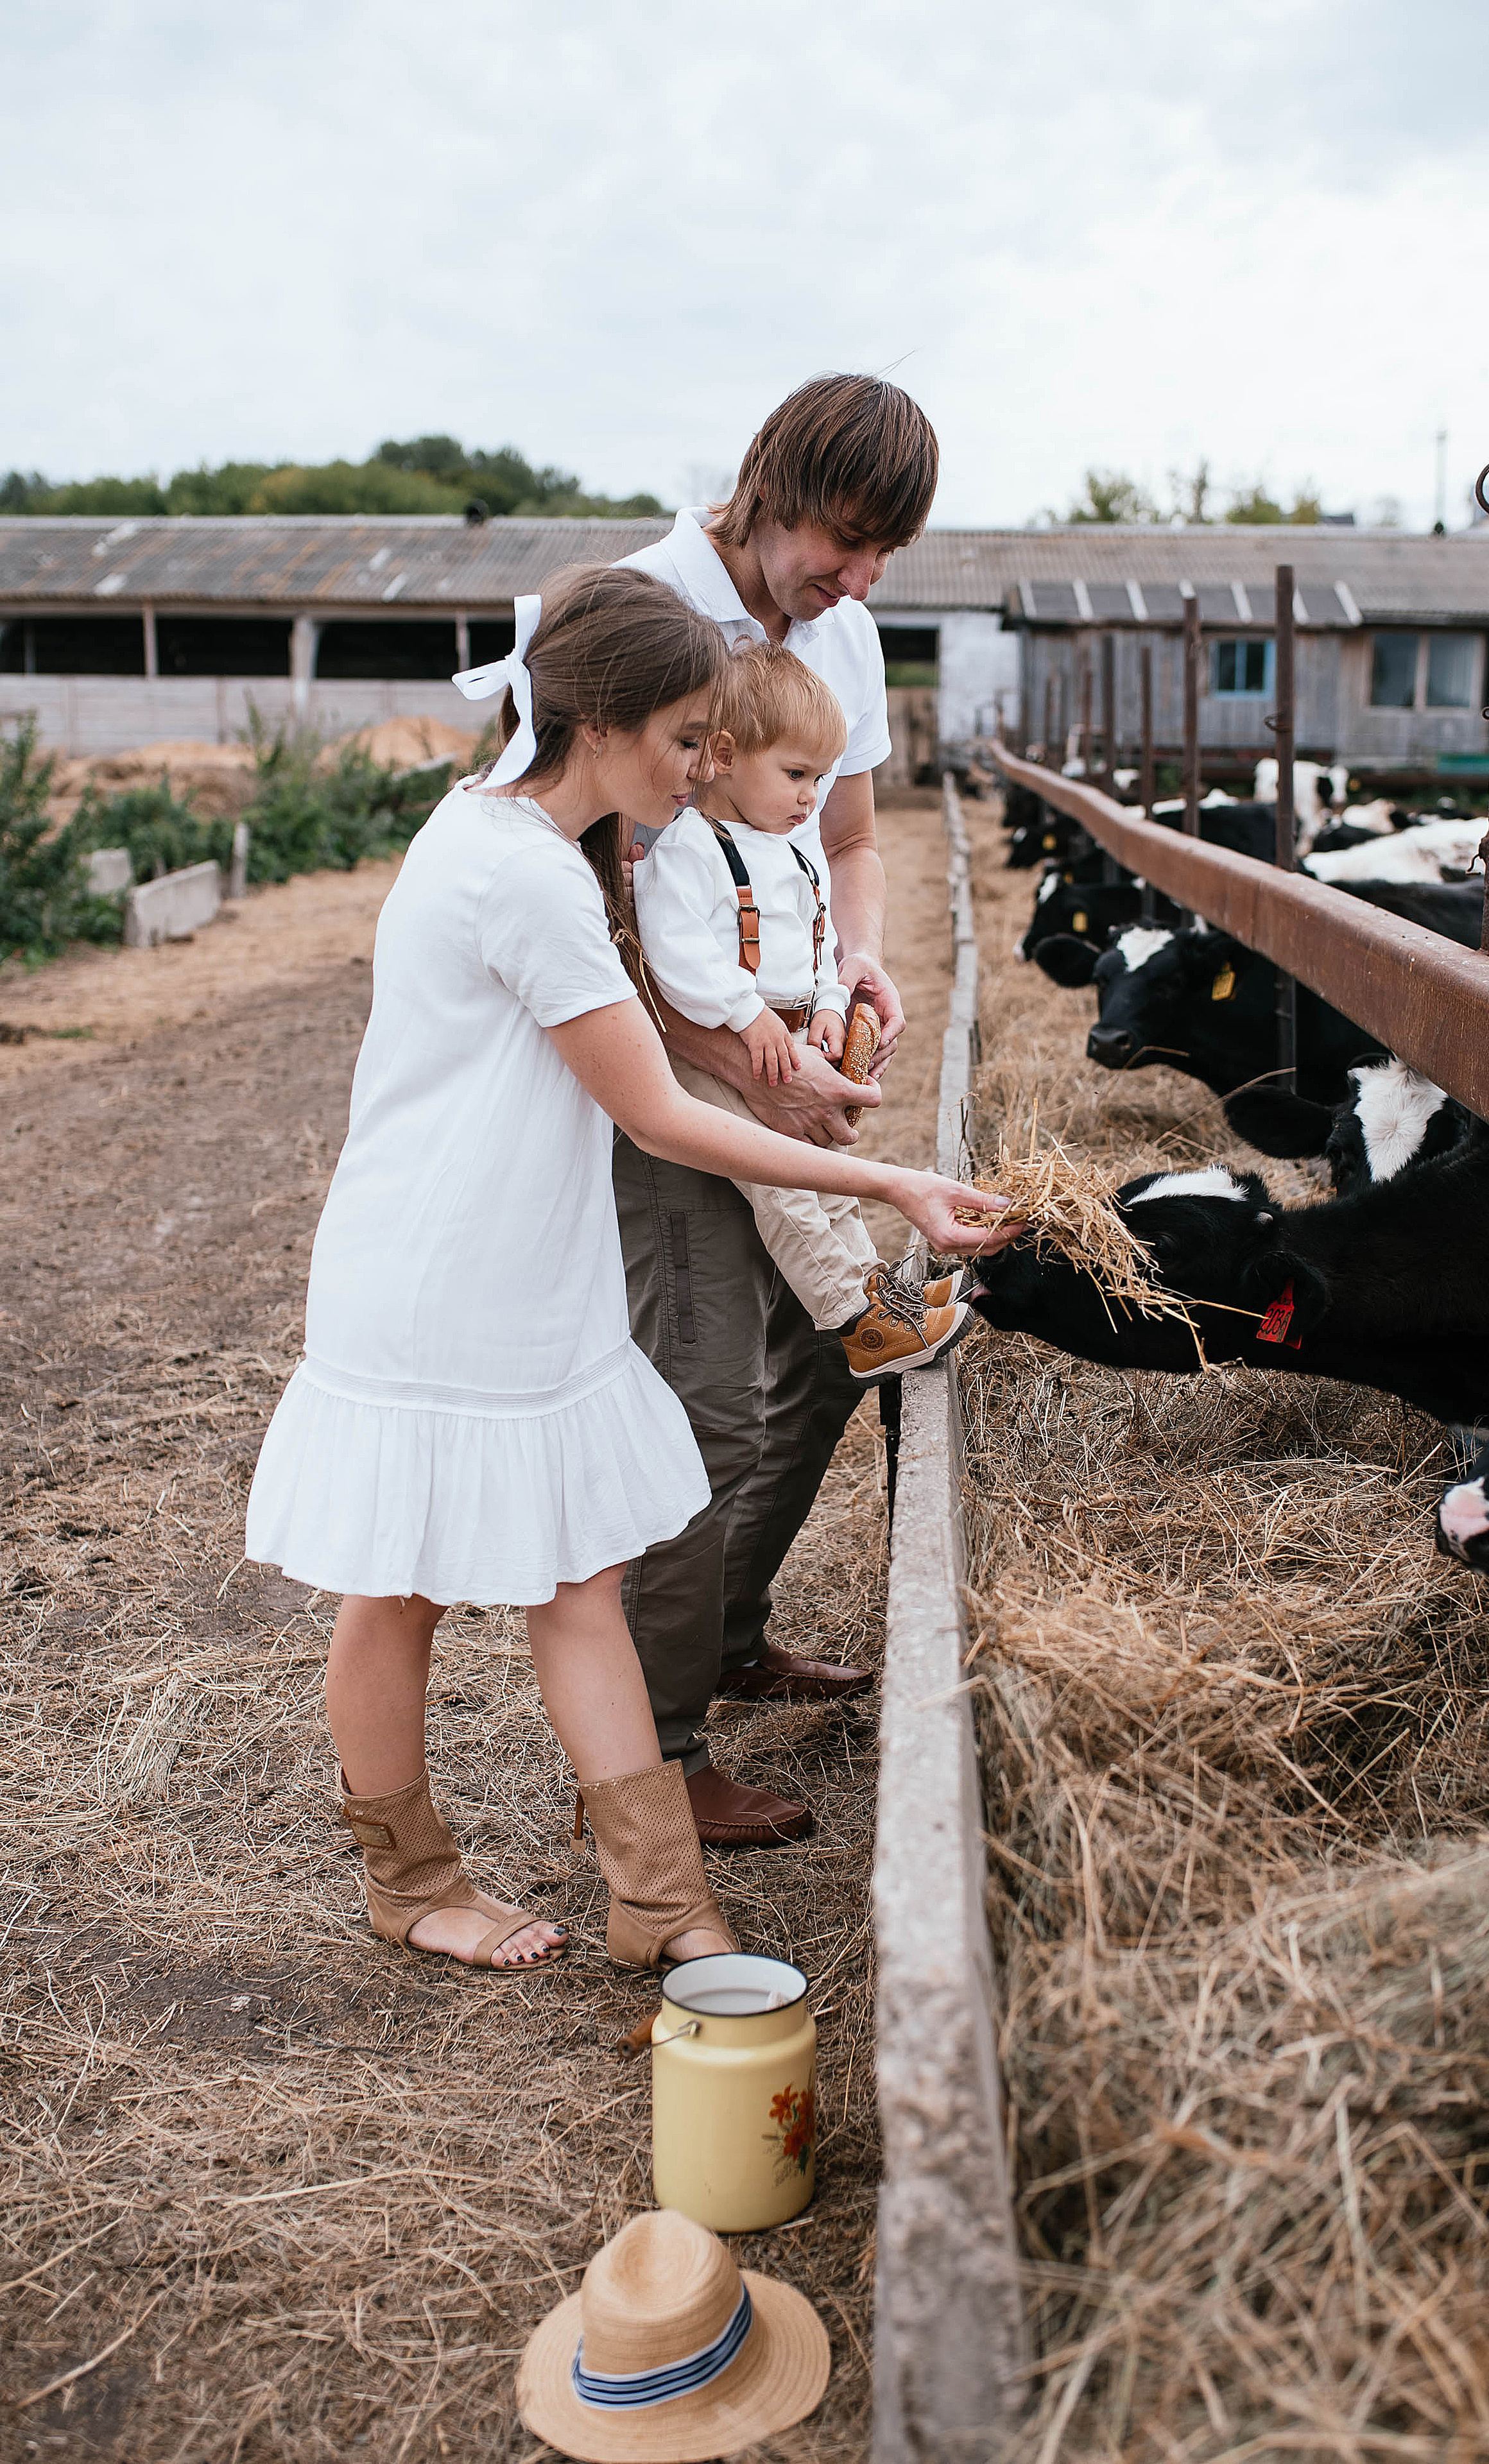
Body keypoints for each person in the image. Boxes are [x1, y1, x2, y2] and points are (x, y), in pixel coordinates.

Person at [243, 567, 1003, 1973]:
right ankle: (414, 1885)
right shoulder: (522, 875)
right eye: (685, 739)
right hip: (444, 1273)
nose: (703, 768)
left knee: (577, 1572)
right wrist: (892, 1182)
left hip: (518, 1262)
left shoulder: (511, 836)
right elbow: (657, 1114)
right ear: (597, 723)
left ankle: (657, 1902)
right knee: (402, 1584)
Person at [617, 372, 940, 1845]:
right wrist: (737, 1039)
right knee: (704, 1408)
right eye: (843, 538)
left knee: (823, 1357)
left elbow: (851, 835)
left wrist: (849, 958)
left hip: (769, 1047)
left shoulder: (843, 636)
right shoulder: (641, 610)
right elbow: (605, 889)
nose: (856, 580)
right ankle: (657, 1753)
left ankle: (730, 1632)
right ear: (769, 484)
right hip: (655, 1077)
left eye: (883, 556)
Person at [634, 640, 973, 1380]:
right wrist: (744, 1013)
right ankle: (854, 1322)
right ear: (723, 755)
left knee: (823, 1170)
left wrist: (825, 1003)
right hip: (721, 1048)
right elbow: (673, 952)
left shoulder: (789, 850)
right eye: (795, 774)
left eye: (820, 778)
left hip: (789, 1034)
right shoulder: (687, 849)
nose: (811, 797)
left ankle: (883, 1294)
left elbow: (818, 941)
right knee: (783, 1186)